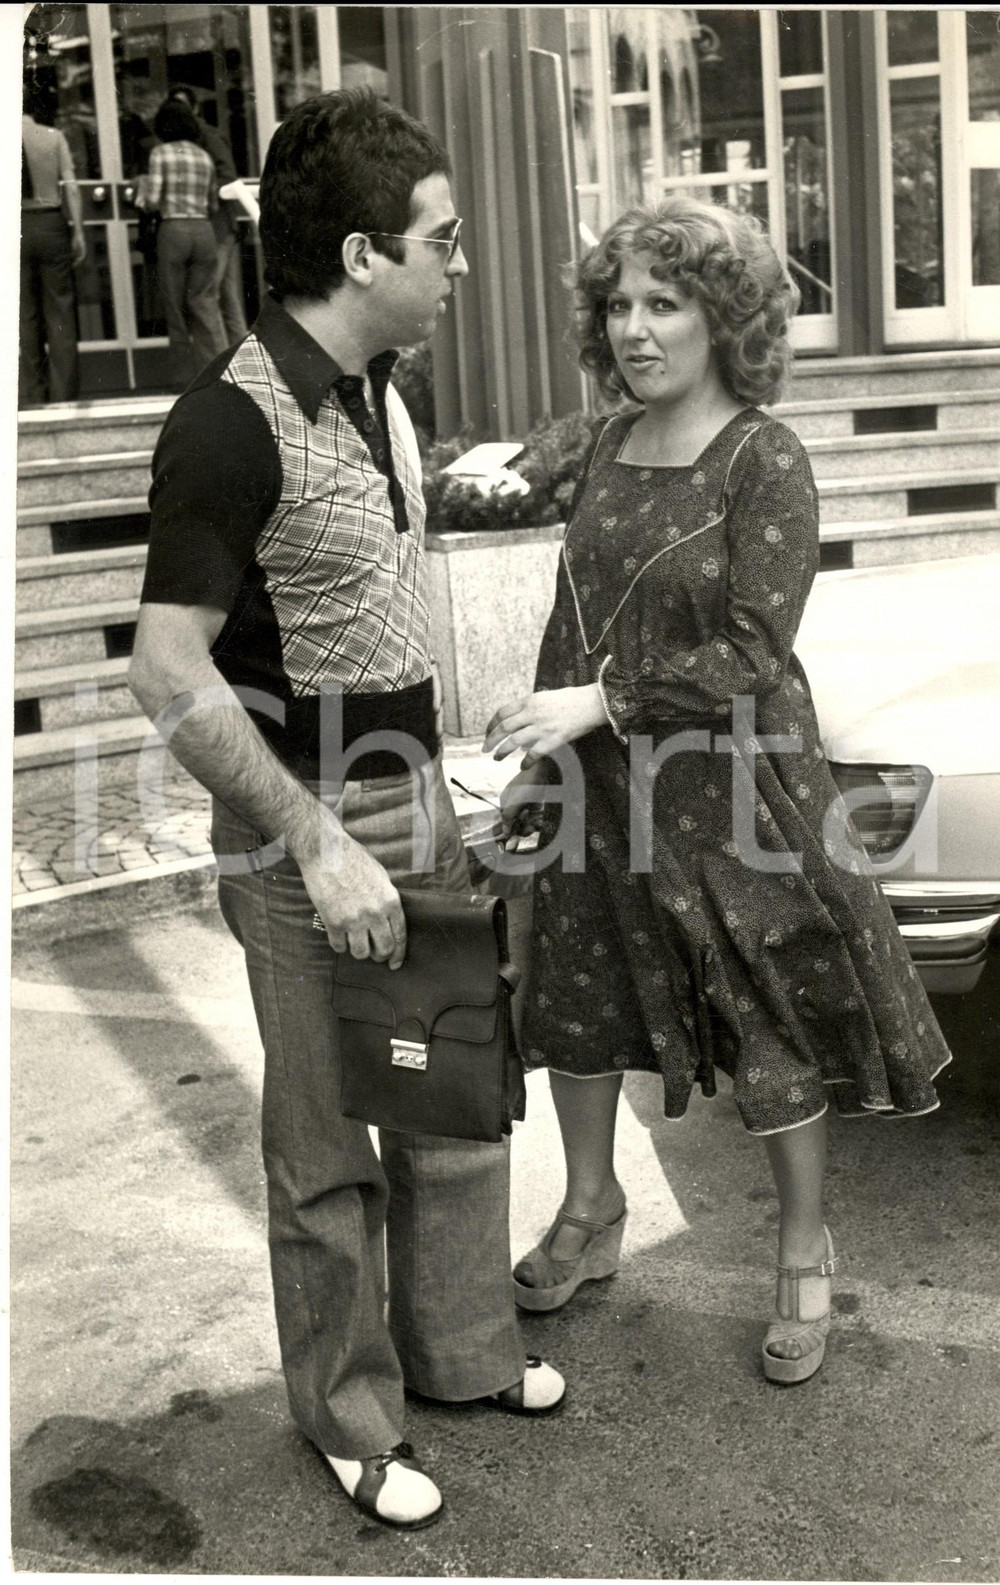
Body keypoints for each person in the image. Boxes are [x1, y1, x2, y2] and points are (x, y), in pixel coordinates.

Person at [128, 87, 565, 1532]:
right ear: (368, 252)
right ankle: (348, 1417)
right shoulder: (223, 425)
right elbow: (169, 671)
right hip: (293, 829)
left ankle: (459, 1358)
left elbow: (377, 600)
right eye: (441, 241)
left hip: (412, 796)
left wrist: (454, 773)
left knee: (447, 1096)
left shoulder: (383, 391)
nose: (458, 263)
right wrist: (315, 844)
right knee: (324, 1146)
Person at [487, 197, 952, 1386]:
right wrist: (548, 744)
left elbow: (753, 648)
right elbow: (572, 609)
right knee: (580, 1005)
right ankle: (591, 1212)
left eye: (666, 302)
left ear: (724, 318)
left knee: (763, 1018)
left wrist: (597, 703)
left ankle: (804, 1253)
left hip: (729, 788)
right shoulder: (600, 443)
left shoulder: (764, 457)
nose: (636, 329)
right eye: (619, 304)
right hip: (595, 783)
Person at [139, 98, 227, 390]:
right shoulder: (203, 156)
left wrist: (141, 197)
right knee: (203, 303)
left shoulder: (160, 153)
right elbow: (213, 203)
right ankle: (216, 374)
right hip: (203, 230)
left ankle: (183, 381)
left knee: (175, 309)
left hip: (174, 230)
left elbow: (152, 201)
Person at [20, 79, 86, 405]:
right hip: (50, 222)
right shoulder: (52, 137)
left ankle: (32, 394)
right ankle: (64, 395)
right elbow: (71, 186)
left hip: (15, 228)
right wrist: (78, 230)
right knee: (59, 308)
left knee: (24, 314)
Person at [167, 85, 248, 343]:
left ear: (195, 109)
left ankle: (226, 365)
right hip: (214, 228)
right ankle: (241, 361)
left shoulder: (208, 136)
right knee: (225, 297)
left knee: (211, 296)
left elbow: (228, 177)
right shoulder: (184, 141)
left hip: (218, 227)